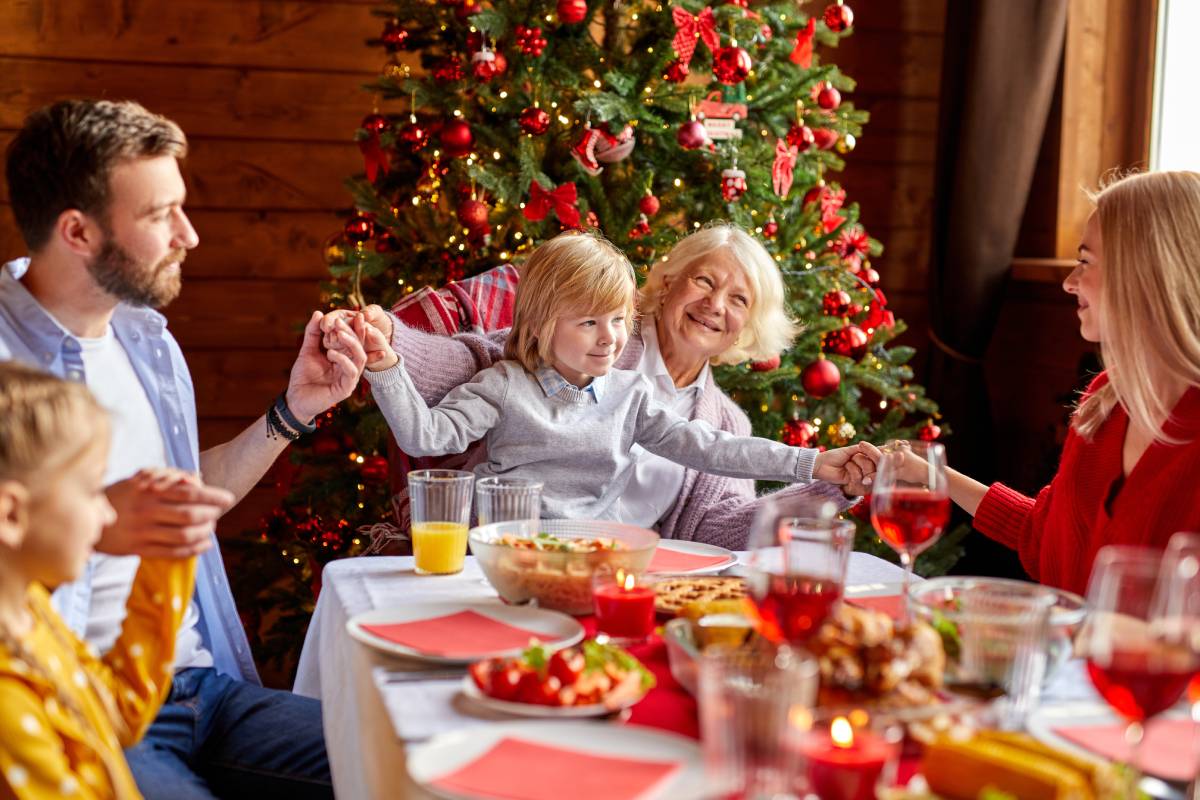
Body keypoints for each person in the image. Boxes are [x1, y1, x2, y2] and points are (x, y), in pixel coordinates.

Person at [0, 99, 367, 799]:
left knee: (404, 769)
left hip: (204, 684)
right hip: (79, 705)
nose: (189, 235)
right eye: (159, 214)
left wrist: (294, 410)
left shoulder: (147, 341)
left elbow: (186, 497)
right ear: (77, 231)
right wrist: (104, 516)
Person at [327, 223, 869, 548]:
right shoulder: (566, 346)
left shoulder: (688, 409)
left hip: (615, 568)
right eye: (705, 280)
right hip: (499, 546)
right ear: (665, 283)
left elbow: (718, 488)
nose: (714, 305)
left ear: (749, 325)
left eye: (739, 299)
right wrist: (388, 346)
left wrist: (823, 477)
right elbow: (477, 361)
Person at [901, 171, 1200, 595]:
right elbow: (1045, 536)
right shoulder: (1104, 402)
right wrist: (932, 476)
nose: (1069, 282)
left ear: (1145, 271)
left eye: (1085, 261)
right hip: (1064, 658)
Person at [0, 362, 212, 799]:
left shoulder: (30, 612)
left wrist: (164, 557)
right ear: (11, 514)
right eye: (93, 490)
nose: (109, 513)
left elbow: (119, 713)